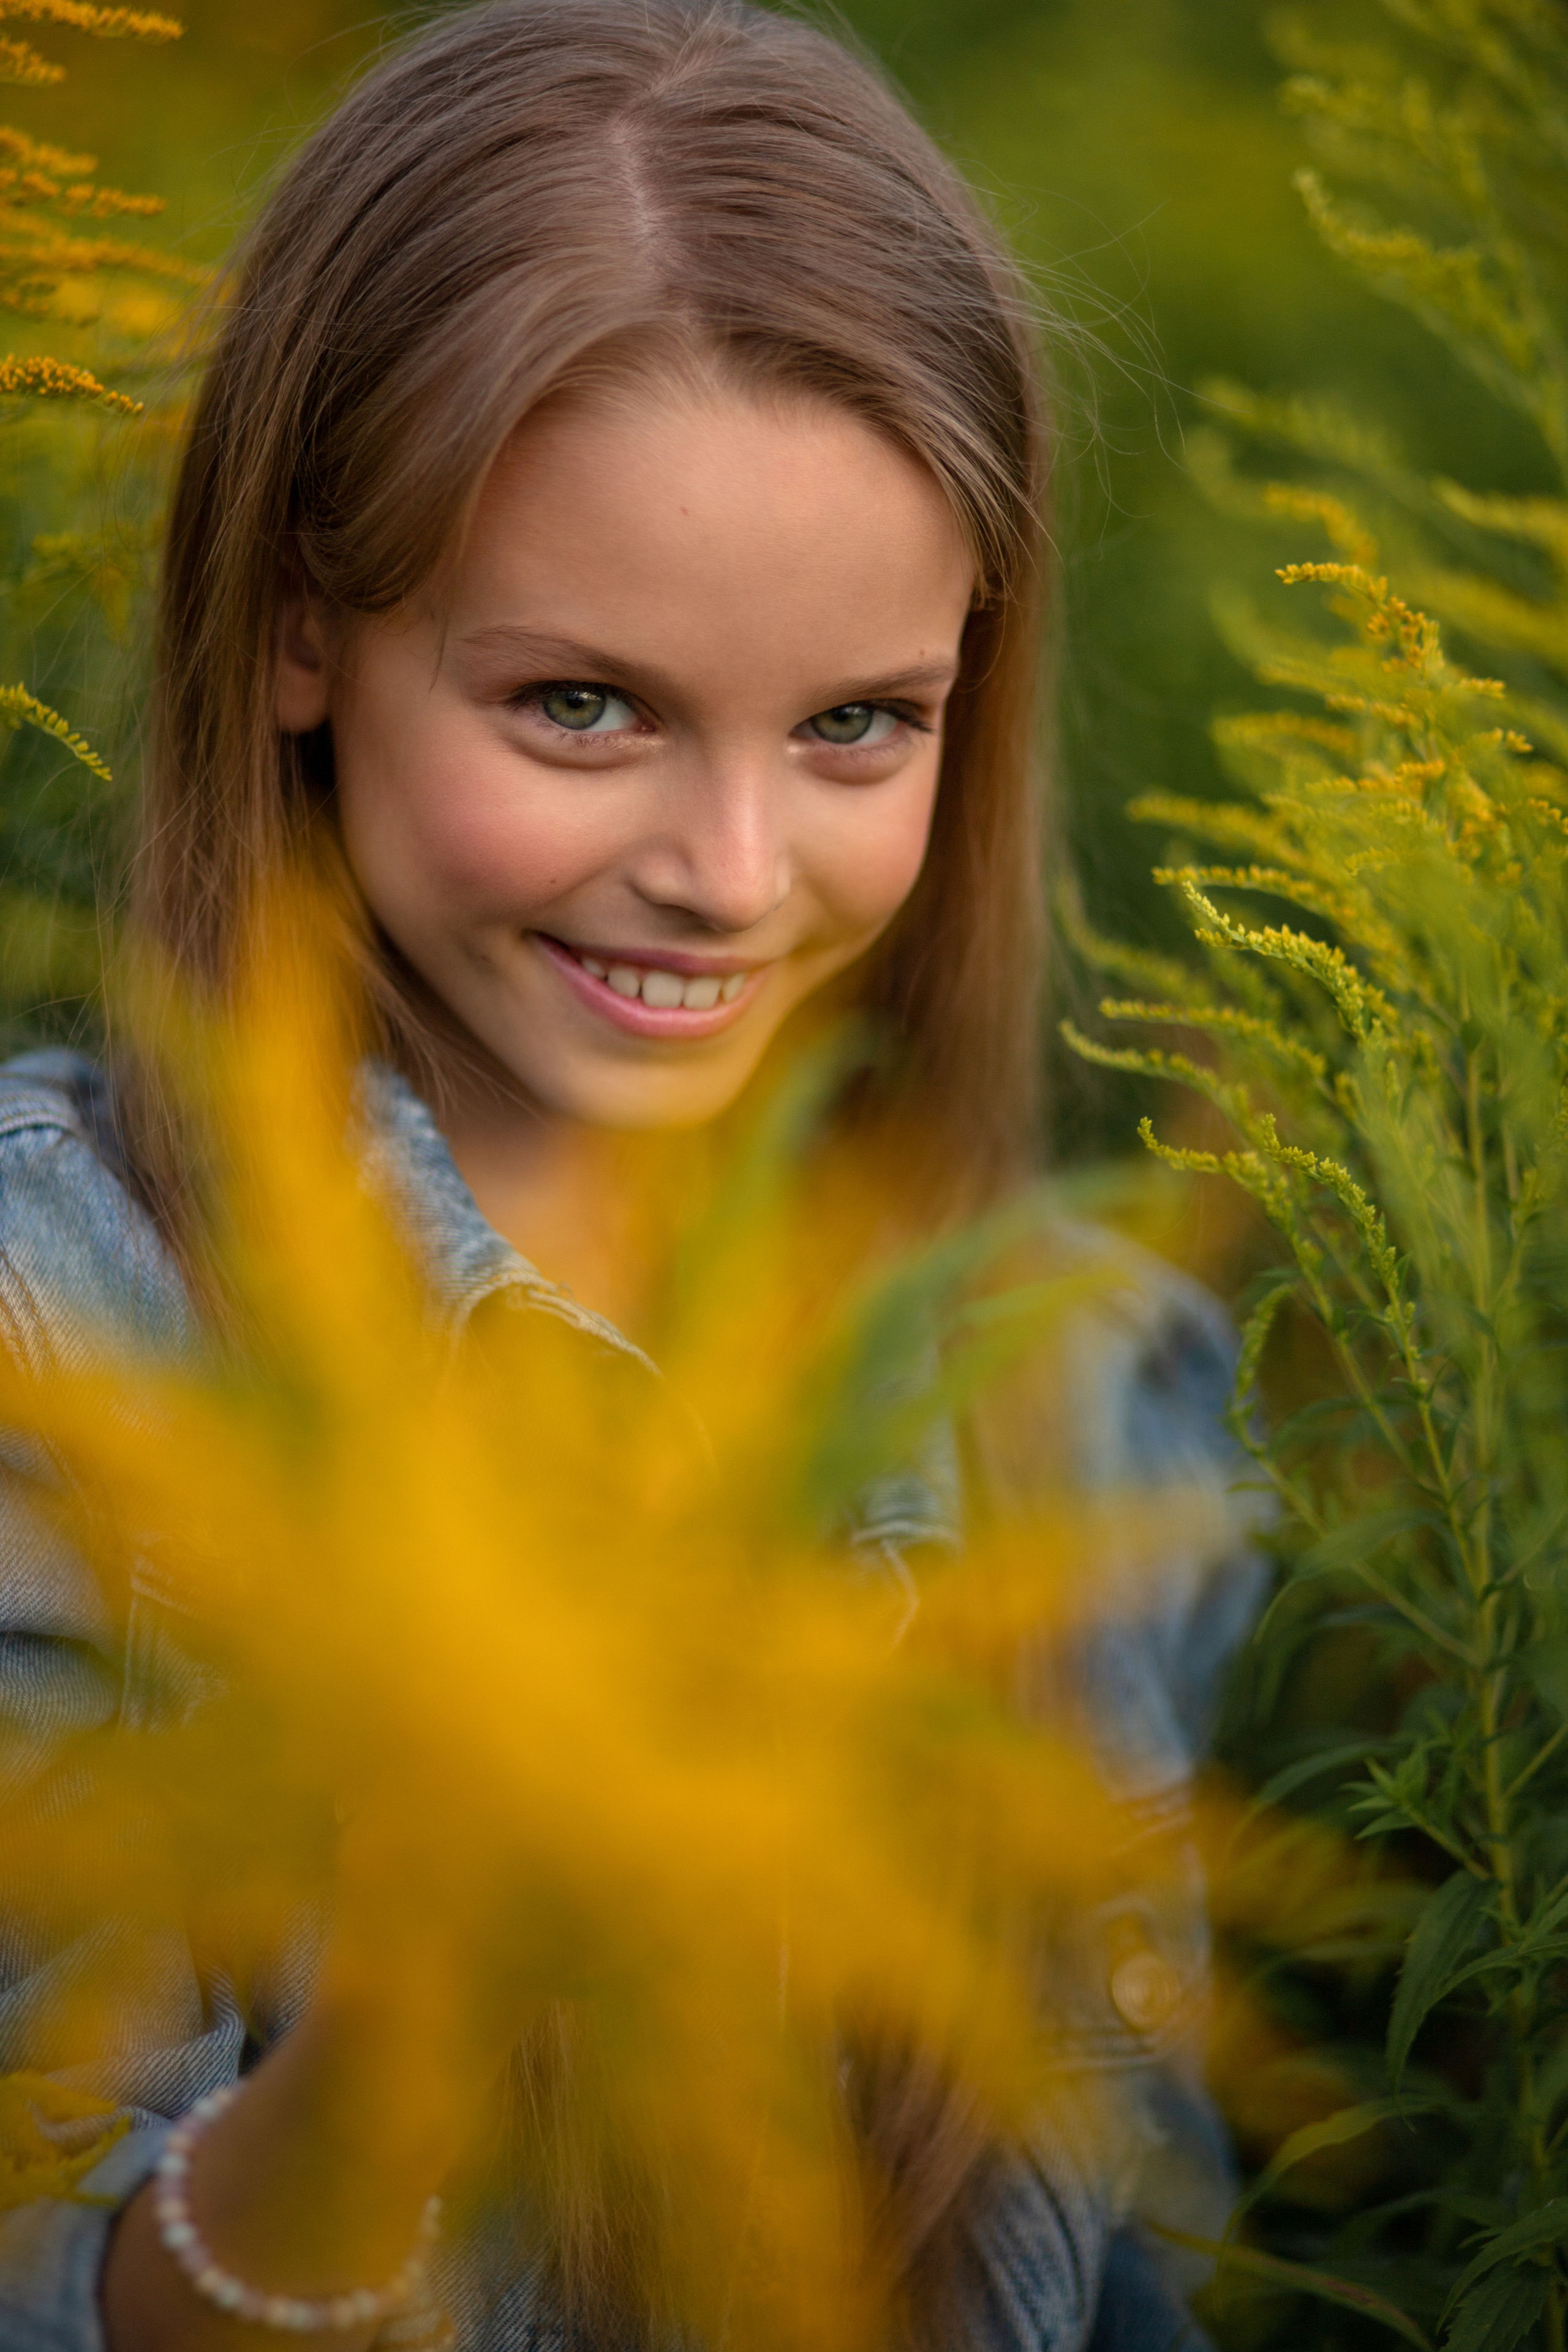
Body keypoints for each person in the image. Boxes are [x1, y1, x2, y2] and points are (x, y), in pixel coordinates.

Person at [0, 3, 1260, 2346]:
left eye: (857, 723)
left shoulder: (1077, 1387)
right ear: (299, 625)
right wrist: (388, 2057)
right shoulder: (61, 1353)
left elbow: (1151, 2264)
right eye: (583, 705)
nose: (728, 868)